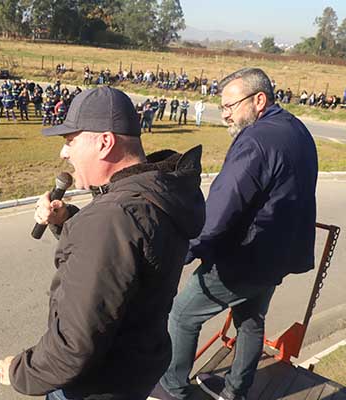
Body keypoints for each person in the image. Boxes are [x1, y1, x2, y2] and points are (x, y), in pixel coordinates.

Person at [0, 86, 206, 400]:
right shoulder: (157, 193)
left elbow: (72, 347)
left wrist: (20, 371)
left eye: (70, 140)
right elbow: (131, 249)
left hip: (97, 384)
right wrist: (68, 220)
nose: (64, 153)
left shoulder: (110, 219)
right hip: (138, 365)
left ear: (104, 142)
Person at [152, 68, 318, 400]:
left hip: (244, 258)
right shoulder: (296, 129)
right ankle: (236, 391)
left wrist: (185, 250)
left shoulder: (255, 140)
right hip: (278, 254)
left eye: (230, 106)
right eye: (222, 107)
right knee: (251, 319)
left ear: (259, 100)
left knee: (182, 315)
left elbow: (223, 206)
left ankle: (172, 388)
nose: (225, 114)